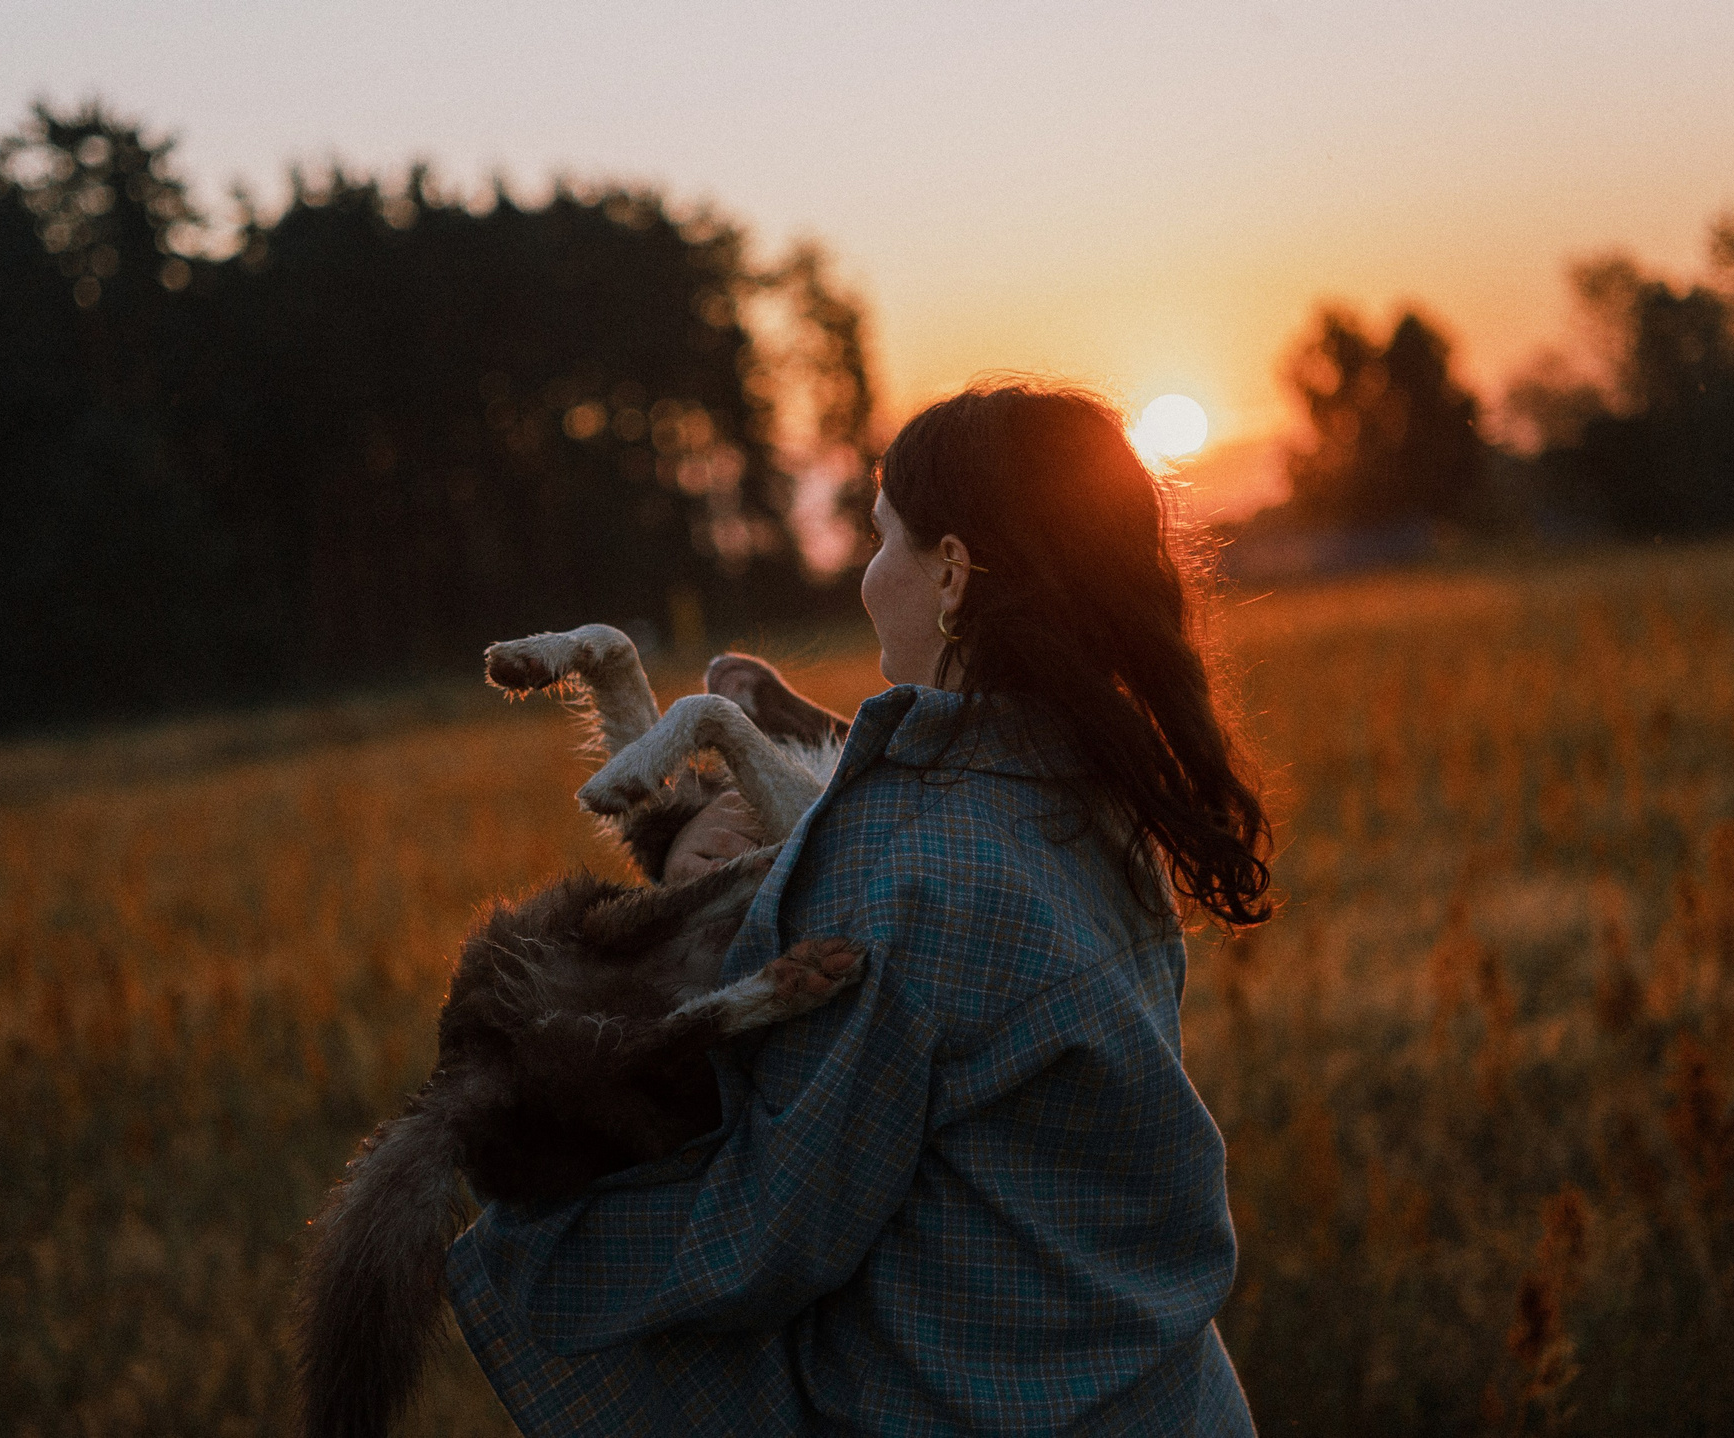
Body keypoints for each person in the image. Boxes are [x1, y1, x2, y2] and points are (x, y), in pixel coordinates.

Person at [446, 379, 1273, 1434]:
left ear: (951, 570)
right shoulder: (1095, 793)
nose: (864, 573)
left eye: (882, 536)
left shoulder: (910, 860)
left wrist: (525, 1238)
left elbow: (777, 1224)